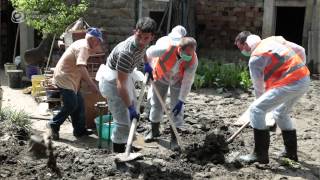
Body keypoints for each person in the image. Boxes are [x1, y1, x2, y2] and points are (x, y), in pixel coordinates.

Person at [234, 31, 310, 164]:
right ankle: (290, 153)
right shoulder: (272, 41)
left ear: (246, 44)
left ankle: (260, 155)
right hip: (304, 78)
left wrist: (263, 108)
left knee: (256, 109)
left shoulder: (255, 58)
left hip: (291, 82)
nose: (242, 52)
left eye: (241, 48)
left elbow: (259, 90)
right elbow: (300, 50)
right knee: (280, 113)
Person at [98, 17, 157, 153]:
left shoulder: (142, 43)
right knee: (123, 120)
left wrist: (147, 64)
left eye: (146, 38)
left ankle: (129, 144)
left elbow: (143, 51)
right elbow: (120, 85)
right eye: (139, 36)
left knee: (133, 114)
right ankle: (119, 154)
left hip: (124, 78)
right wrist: (129, 107)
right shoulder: (126, 53)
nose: (142, 41)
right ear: (134, 32)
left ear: (152, 37)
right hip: (113, 83)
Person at [144, 26, 198, 150]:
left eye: (192, 53)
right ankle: (154, 131)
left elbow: (188, 81)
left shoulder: (193, 59)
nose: (190, 56)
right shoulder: (164, 47)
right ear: (180, 49)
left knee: (177, 109)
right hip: (161, 75)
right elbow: (148, 52)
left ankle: (174, 139)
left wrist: (181, 100)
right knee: (157, 103)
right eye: (187, 54)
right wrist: (147, 65)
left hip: (177, 80)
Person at [48, 27, 103, 140]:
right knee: (71, 104)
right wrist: (92, 85)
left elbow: (80, 66)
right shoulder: (83, 47)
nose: (98, 43)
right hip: (65, 77)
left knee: (79, 104)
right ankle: (53, 124)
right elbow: (81, 67)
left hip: (71, 78)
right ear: (92, 39)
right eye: (98, 40)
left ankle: (79, 130)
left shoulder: (84, 44)